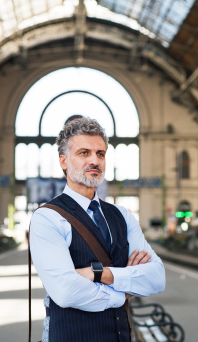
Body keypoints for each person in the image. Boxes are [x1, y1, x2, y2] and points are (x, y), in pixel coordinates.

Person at [30, 117, 166, 342]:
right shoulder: (48, 217)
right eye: (84, 153)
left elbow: (157, 278)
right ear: (64, 161)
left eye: (100, 154)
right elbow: (65, 292)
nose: (95, 160)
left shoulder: (122, 216)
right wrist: (125, 289)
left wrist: (99, 274)